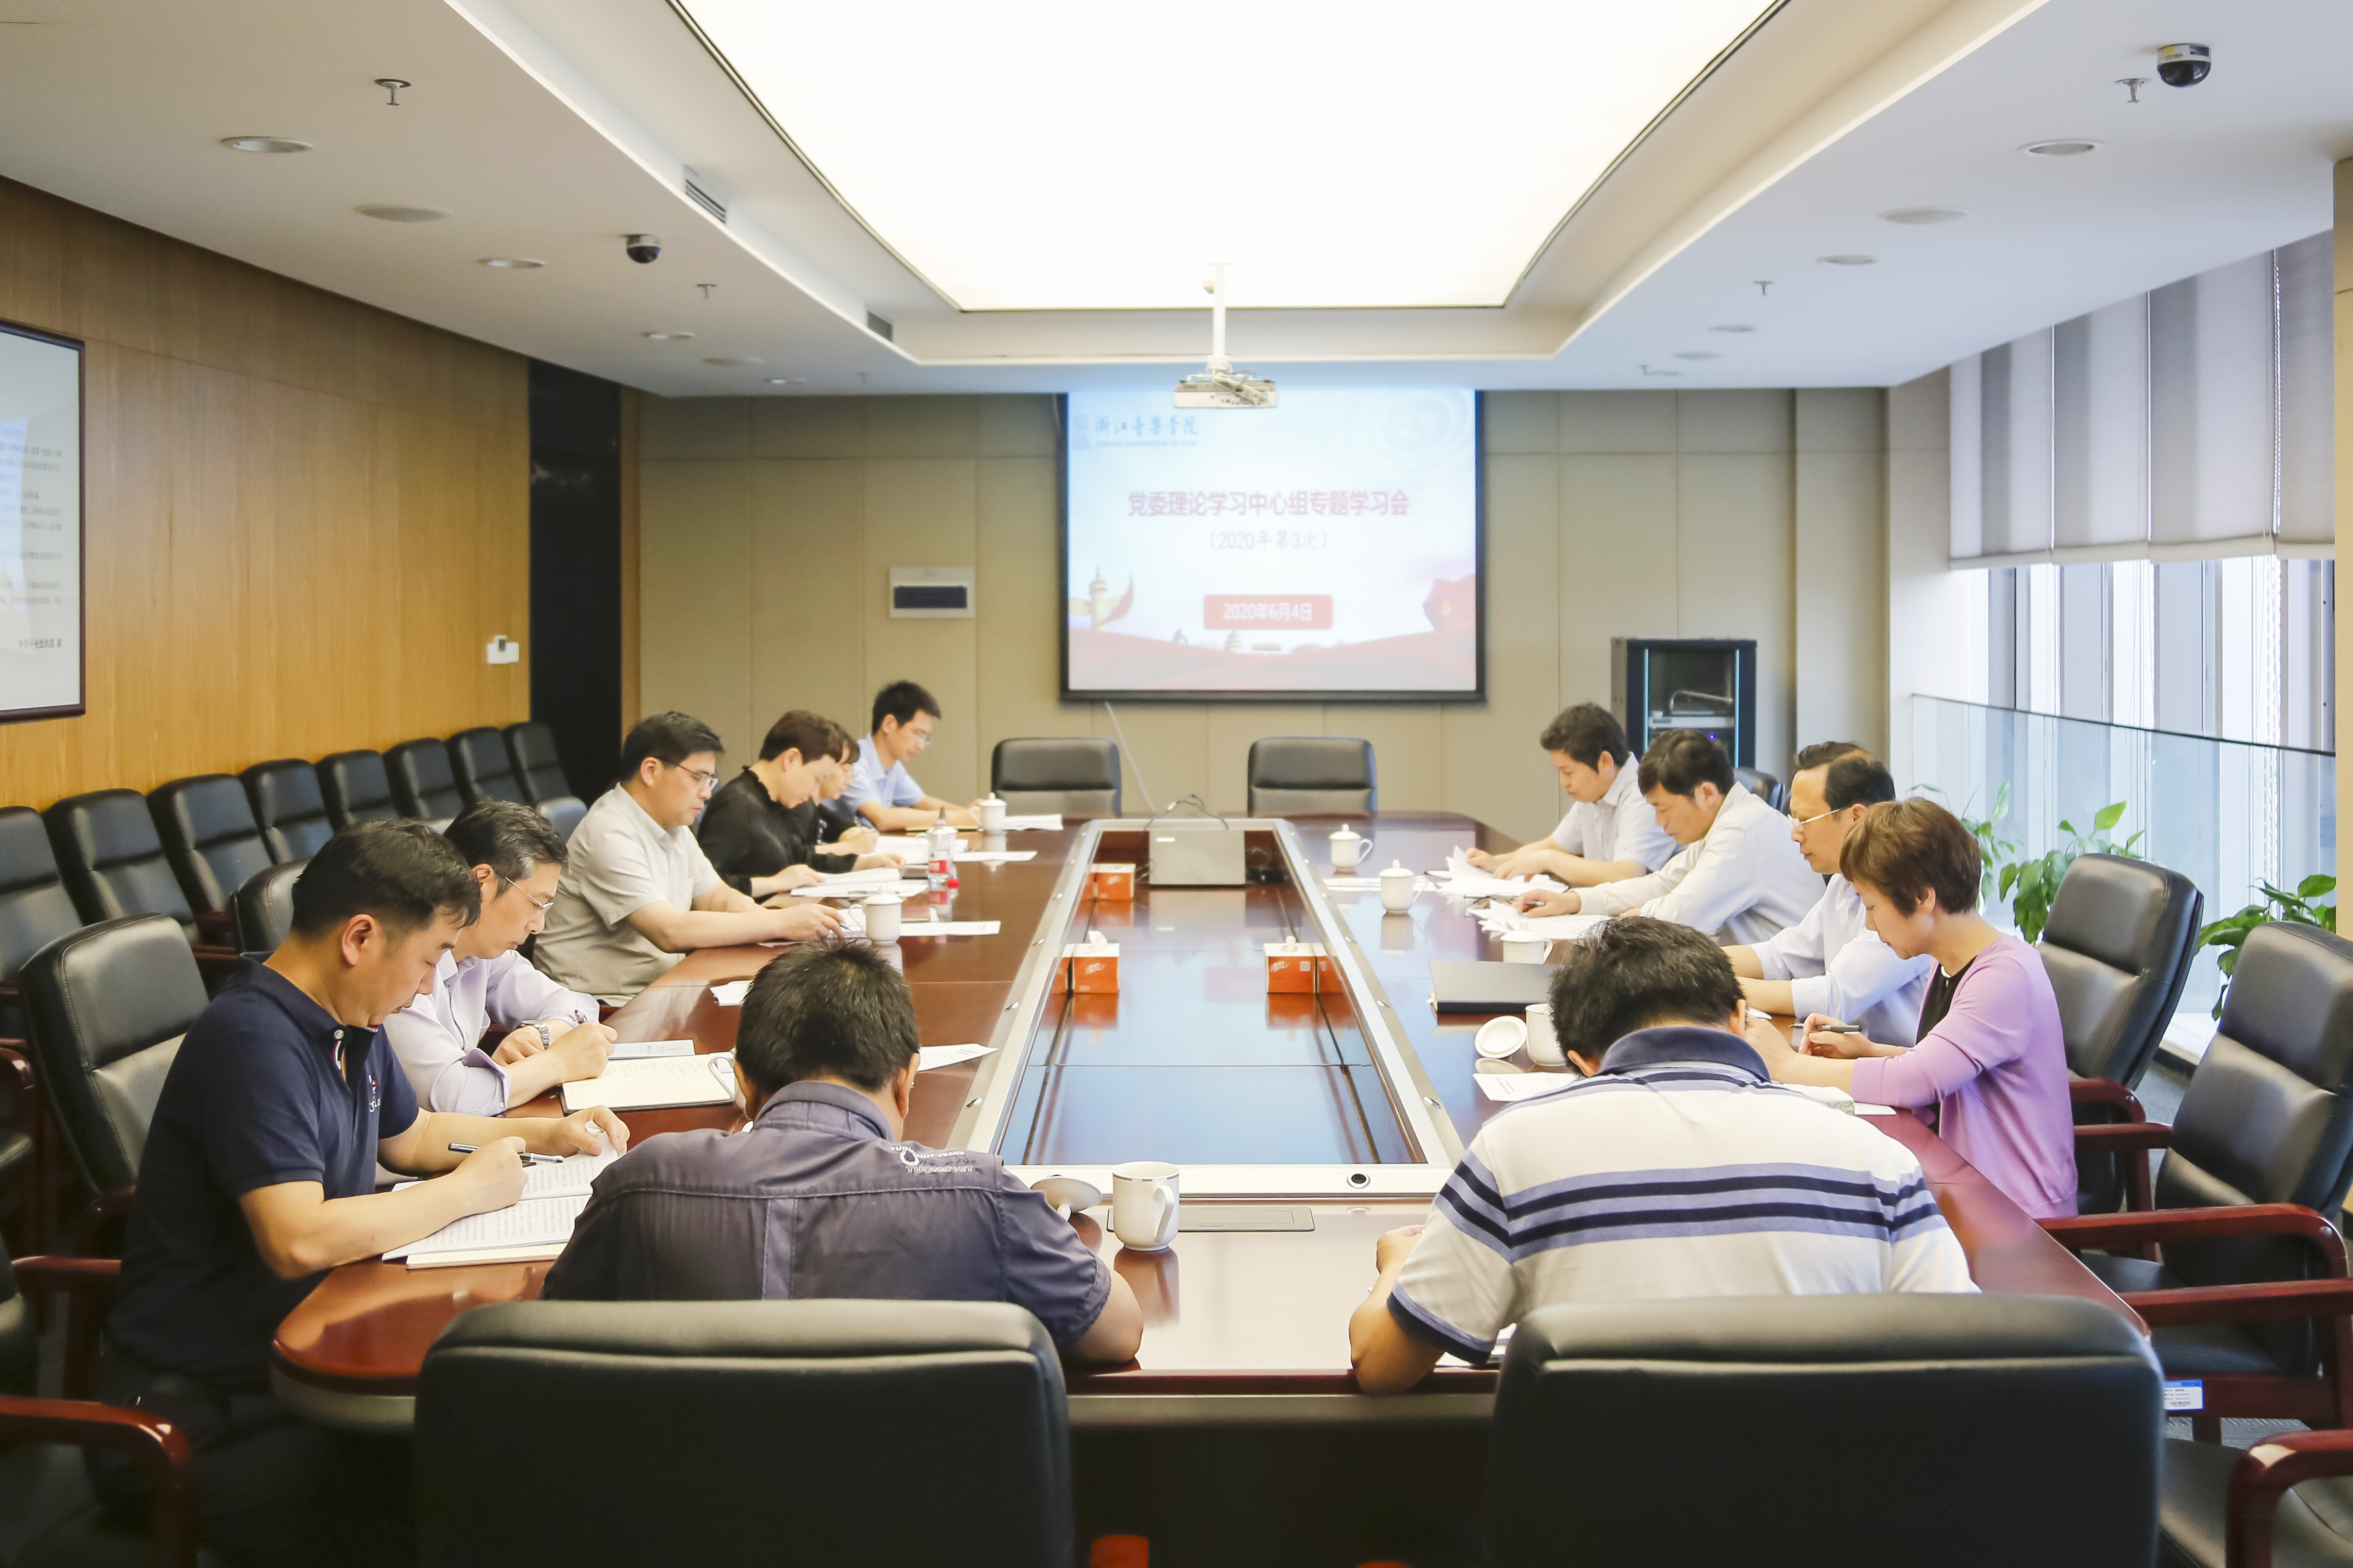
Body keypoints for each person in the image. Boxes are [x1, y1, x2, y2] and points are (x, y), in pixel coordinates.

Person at [98, 822, 629, 1566]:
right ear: (359, 938)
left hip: (297, 1360)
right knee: (473, 1495)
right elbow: (298, 1238)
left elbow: (410, 1138)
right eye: (429, 959)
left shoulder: (349, 1016)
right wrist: (465, 1193)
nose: (429, 986)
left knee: (509, 1449)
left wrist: (547, 1135)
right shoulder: (252, 1041)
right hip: (198, 1422)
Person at [1348, 917, 1973, 1396]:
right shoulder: (1876, 1159)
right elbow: (1962, 1360)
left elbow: (1379, 1366)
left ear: (1580, 1060)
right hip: (1824, 1515)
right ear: (1740, 1018)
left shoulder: (1514, 1148)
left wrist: (1399, 1265)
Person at [543, 943, 1145, 1363]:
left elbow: (554, 1341)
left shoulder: (639, 1186)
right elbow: (1118, 1330)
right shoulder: (980, 1197)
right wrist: (1037, 1225)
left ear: (742, 1083)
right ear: (907, 1080)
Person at [1748, 797, 2077, 1219]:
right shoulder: (1949, 961)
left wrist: (1787, 1066)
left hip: (2015, 1212)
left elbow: (1918, 1080)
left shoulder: (2004, 976)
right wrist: (1868, 1051)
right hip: (1961, 1176)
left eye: (1871, 907)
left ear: (1922, 897)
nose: (1869, 924)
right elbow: (1947, 1064)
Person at [533, 711, 842, 1005]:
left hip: (660, 988)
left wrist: (762, 917)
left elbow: (716, 896)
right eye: (699, 778)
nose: (707, 793)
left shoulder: (673, 825)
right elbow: (669, 931)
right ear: (651, 771)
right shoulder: (609, 833)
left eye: (710, 780)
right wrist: (778, 924)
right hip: (602, 1005)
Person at [381, 800, 617, 1114]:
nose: (538, 926)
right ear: (483, 883)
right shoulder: (404, 964)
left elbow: (579, 1007)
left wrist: (539, 1035)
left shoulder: (487, 954)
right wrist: (557, 1063)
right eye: (536, 904)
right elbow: (450, 1098)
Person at [1515, 729, 1822, 945]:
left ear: (1706, 793)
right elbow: (1661, 884)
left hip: (1785, 997)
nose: (1660, 822)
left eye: (1663, 809)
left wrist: (1639, 916)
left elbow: (1682, 913)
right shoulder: (1728, 821)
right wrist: (1574, 901)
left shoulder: (1742, 829)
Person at [1726, 751, 1934, 1044]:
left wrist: (1718, 985)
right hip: (1848, 1051)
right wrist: (1700, 963)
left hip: (1893, 1061)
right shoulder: (1842, 882)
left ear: (1857, 817)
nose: (1795, 834)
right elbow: (1782, 957)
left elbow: (1834, 997)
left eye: (1805, 820)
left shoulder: (1903, 891)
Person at [697, 709, 903, 899]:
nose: (814, 792)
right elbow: (701, 886)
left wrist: (861, 862)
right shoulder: (737, 805)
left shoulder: (771, 801)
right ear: (791, 760)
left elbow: (798, 856)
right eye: (816, 779)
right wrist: (773, 883)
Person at [1465, 703, 1674, 885]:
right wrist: (1499, 862)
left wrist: (1547, 860)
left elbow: (1626, 875)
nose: (1563, 782)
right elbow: (1555, 845)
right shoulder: (1594, 794)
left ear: (1605, 762)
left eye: (1568, 772)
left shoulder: (1643, 796)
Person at [846, 680, 977, 832]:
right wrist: (956, 818)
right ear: (889, 724)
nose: (921, 746)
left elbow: (922, 802)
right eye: (918, 734)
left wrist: (970, 814)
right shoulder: (854, 761)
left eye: (925, 738)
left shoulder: (893, 767)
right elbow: (882, 819)